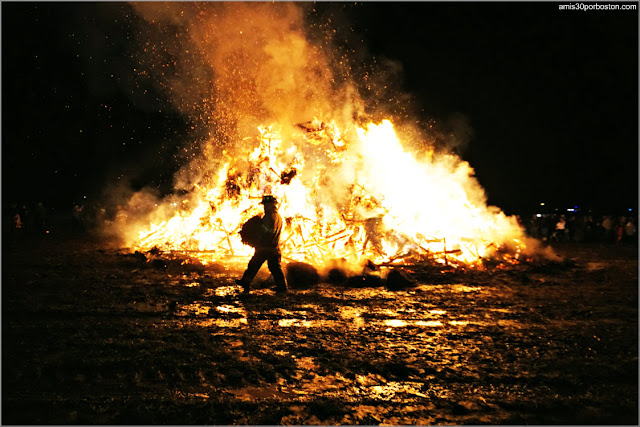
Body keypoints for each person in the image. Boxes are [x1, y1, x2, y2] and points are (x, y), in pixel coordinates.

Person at [236, 195, 288, 294]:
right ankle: (282, 287)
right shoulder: (279, 217)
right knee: (275, 268)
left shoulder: (269, 216)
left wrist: (255, 234)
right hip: (274, 247)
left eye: (266, 205)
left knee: (253, 265)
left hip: (265, 247)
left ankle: (245, 282)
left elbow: (264, 231)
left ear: (271, 205)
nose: (264, 207)